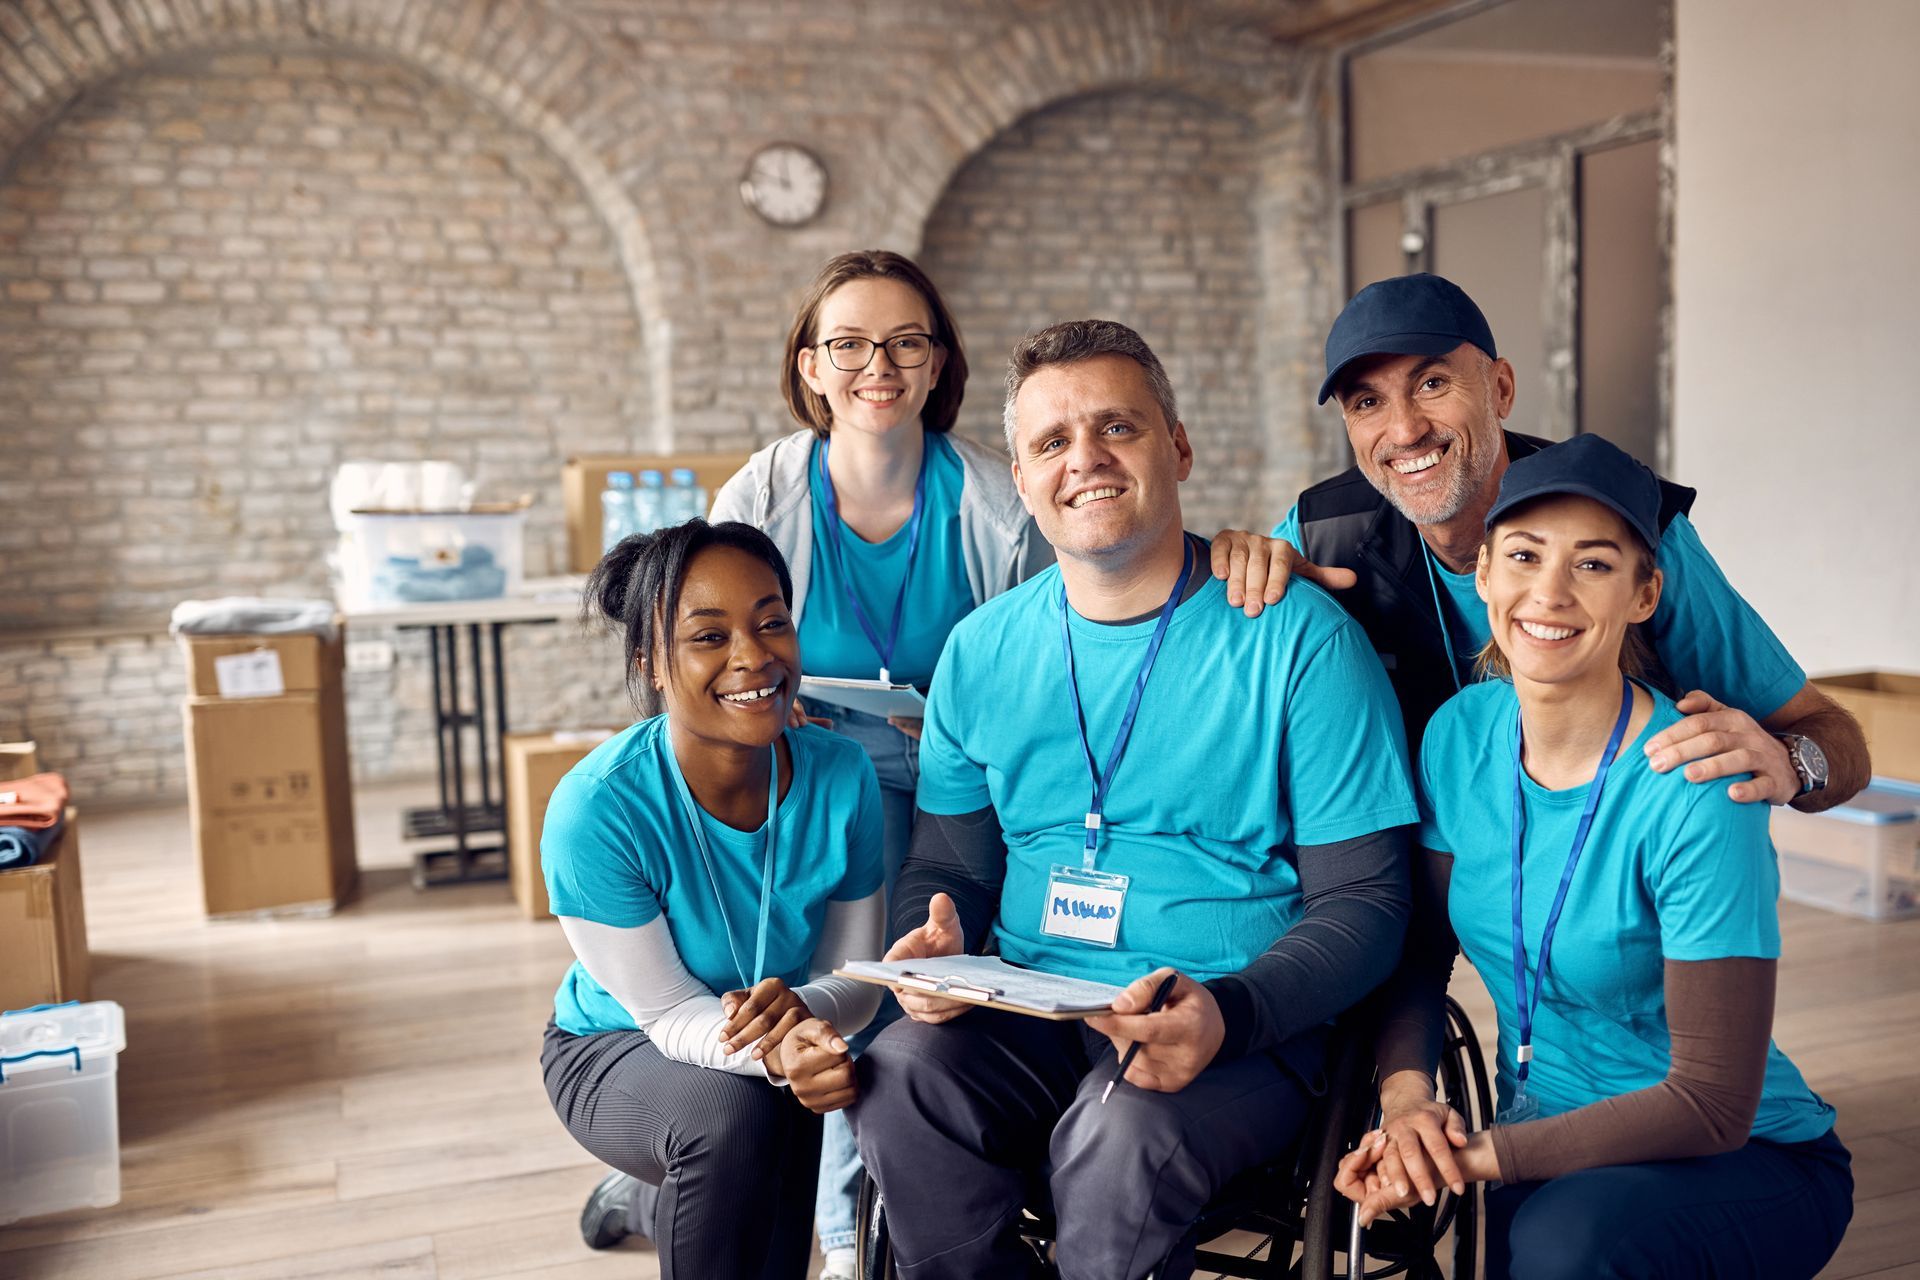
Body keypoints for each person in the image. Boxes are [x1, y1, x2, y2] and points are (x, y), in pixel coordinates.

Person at [707, 250, 1302, 1278]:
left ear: (941, 363)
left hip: (939, 766)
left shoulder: (990, 502)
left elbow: (1104, 576)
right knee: (856, 986)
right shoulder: (763, 490)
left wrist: (1248, 550)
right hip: (811, 769)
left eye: (906, 341)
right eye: (848, 343)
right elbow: (711, 636)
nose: (877, 365)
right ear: (809, 363)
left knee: (896, 967)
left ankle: (853, 1198)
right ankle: (833, 1206)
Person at [838, 319, 1418, 1280]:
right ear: (1021, 482)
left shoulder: (1301, 643)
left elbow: (1367, 903)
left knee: (1123, 1133)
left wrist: (1229, 1010)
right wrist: (932, 940)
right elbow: (949, 867)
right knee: (897, 1077)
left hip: (1233, 1022)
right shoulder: (979, 654)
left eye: (1119, 428)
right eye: (1052, 444)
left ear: (1178, 446)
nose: (1086, 462)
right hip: (1029, 1006)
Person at [1335, 435, 1852, 1278]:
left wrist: (1466, 1161)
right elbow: (1420, 955)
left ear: (1646, 592)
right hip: (1544, 1145)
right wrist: (1407, 1108)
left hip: (1736, 1157)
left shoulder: (1695, 782)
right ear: (1485, 576)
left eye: (1594, 565)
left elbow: (1714, 1105)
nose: (1550, 592)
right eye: (1526, 556)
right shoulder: (1458, 738)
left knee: (1563, 1250)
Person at [1262, 273, 1868, 812]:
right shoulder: (1320, 529)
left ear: (1500, 388)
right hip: (1424, 878)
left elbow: (1832, 736)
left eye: (1432, 384)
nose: (1404, 430)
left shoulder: (1632, 527)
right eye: (1368, 402)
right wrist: (1229, 566)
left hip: (1610, 877)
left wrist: (1792, 762)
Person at [540, 519, 885, 1280]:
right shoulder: (597, 809)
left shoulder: (841, 775)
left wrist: (807, 1023)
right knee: (732, 1119)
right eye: (708, 637)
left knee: (782, 1135)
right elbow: (665, 1015)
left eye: (772, 623)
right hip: (619, 1043)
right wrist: (780, 1049)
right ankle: (652, 1192)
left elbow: (856, 976)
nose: (754, 657)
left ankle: (643, 1204)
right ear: (651, 663)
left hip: (777, 1027)